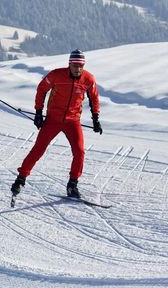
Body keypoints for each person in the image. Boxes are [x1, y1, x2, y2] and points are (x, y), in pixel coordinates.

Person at [11, 49, 101, 199]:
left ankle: (72, 184)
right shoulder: (56, 75)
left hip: (73, 121)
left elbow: (94, 98)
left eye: (81, 66)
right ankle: (21, 178)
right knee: (38, 149)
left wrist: (96, 118)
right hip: (53, 120)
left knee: (79, 152)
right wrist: (38, 112)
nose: (78, 69)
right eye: (75, 65)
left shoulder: (88, 79)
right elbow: (41, 89)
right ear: (69, 64)